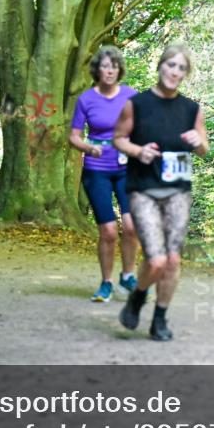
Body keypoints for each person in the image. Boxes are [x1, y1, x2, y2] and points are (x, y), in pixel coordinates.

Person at [113, 44, 208, 341]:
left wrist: (198, 141)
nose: (174, 72)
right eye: (170, 65)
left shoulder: (192, 109)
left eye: (181, 68)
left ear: (185, 74)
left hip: (178, 191)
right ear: (160, 66)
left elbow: (204, 149)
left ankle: (160, 319)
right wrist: (137, 150)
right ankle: (138, 297)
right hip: (143, 189)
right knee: (155, 261)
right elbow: (118, 139)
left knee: (173, 260)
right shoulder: (137, 104)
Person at [69, 45, 139, 302]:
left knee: (132, 226)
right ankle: (106, 282)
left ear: (119, 70)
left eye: (113, 66)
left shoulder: (132, 96)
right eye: (104, 66)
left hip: (127, 168)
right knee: (108, 231)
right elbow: (73, 137)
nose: (109, 71)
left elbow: (144, 129)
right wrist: (88, 147)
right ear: (97, 70)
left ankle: (128, 275)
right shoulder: (86, 100)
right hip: (97, 170)